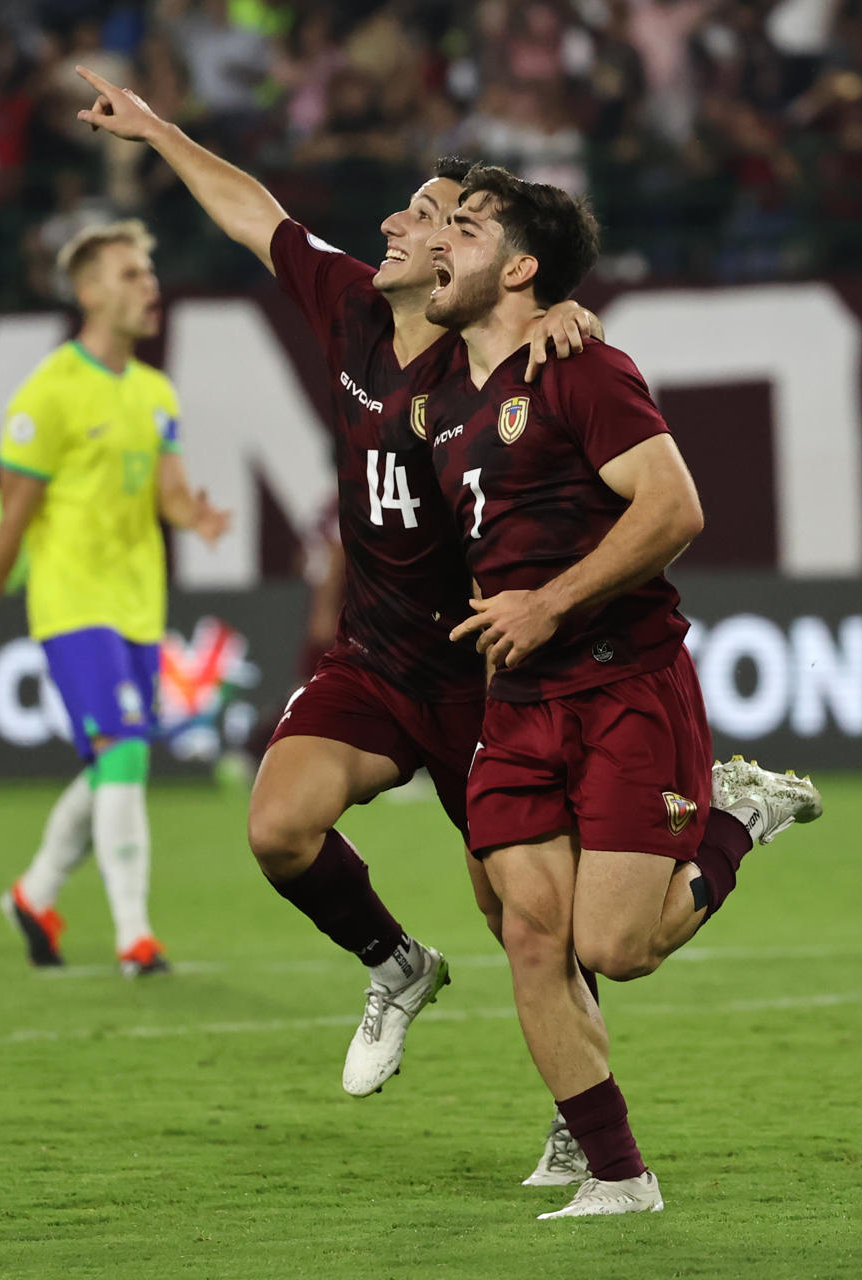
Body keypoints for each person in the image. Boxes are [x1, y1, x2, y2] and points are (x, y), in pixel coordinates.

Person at [76, 66, 757, 1188]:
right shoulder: (351, 307)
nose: (400, 223)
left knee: (527, 918)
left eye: (432, 214)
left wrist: (575, 316)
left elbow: (560, 349)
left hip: (485, 670)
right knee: (278, 827)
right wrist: (155, 132)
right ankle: (394, 962)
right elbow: (258, 213)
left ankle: (574, 1120)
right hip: (379, 656)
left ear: (466, 253)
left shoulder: (488, 345)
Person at [417, 164, 822, 1218]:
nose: (434, 239)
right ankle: (618, 1172)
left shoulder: (583, 368)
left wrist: (548, 602)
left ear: (520, 267)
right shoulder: (442, 388)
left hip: (623, 685)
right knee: (524, 927)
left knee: (615, 947)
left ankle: (737, 814)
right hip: (516, 701)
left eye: (462, 225)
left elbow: (676, 508)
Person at [0, 219, 229, 979]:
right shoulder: (49, 394)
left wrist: (190, 514)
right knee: (126, 751)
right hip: (72, 603)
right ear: (88, 292)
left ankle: (34, 896)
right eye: (132, 274)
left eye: (150, 272)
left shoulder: (155, 391)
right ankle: (136, 936)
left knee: (115, 759)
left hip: (137, 602)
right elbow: (12, 520)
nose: (150, 286)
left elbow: (167, 491)